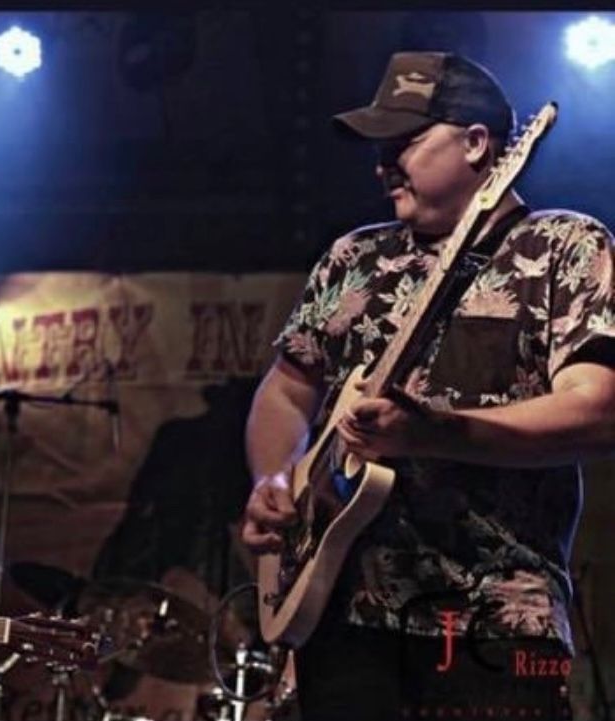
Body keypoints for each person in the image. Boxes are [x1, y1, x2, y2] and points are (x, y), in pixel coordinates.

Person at [241, 51, 615, 721]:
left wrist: (434, 432)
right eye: (378, 146)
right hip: (340, 615)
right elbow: (287, 387)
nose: (383, 163)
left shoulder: (565, 247)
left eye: (404, 141)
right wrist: (274, 478)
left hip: (496, 618)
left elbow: (597, 412)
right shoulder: (354, 258)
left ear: (476, 143)